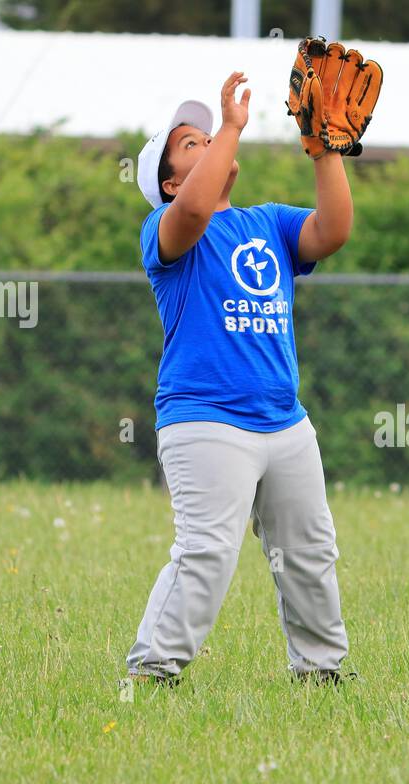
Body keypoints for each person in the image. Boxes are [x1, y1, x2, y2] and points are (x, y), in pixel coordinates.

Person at [126, 72, 355, 685]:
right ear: (169, 183)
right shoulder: (168, 231)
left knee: (310, 554)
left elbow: (332, 231)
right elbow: (197, 207)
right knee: (207, 551)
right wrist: (230, 125)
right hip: (204, 421)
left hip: (285, 421)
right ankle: (152, 670)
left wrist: (323, 150)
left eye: (209, 137)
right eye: (190, 144)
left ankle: (321, 673)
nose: (207, 143)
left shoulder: (268, 223)